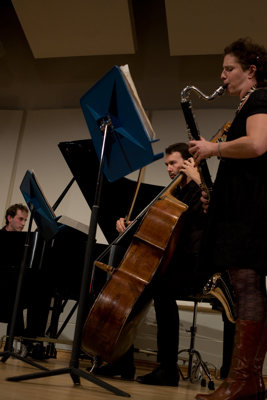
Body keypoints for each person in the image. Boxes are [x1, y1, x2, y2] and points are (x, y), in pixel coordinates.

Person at [189, 38, 267, 400]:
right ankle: (248, 381)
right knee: (247, 287)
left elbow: (256, 145)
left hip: (251, 214)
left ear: (251, 71)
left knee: (248, 287)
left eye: (229, 68)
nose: (222, 75)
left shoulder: (261, 98)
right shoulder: (247, 103)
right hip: (241, 209)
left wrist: (214, 148)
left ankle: (243, 382)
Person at [92, 142, 207, 386]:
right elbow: (159, 228)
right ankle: (121, 362)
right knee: (135, 287)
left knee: (162, 288)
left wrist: (198, 179)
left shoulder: (200, 187)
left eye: (173, 163)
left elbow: (217, 212)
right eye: (166, 164)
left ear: (188, 162)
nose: (169, 168)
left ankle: (168, 369)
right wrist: (129, 224)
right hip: (175, 260)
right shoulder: (173, 193)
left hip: (197, 261)